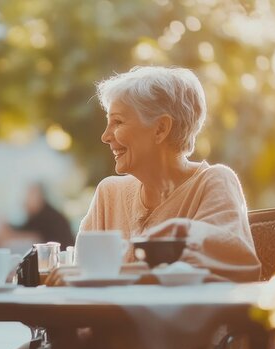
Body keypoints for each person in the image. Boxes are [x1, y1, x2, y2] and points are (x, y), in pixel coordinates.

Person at [48, 66, 261, 285]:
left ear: (160, 128)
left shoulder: (214, 182)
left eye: (118, 122)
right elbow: (81, 278)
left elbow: (233, 267)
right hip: (107, 320)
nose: (105, 136)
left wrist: (115, 275)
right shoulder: (109, 194)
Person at [0, 183, 74, 249]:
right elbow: (24, 229)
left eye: (29, 195)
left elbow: (32, 236)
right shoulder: (38, 215)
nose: (25, 200)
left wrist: (8, 231)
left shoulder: (48, 216)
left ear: (39, 196)